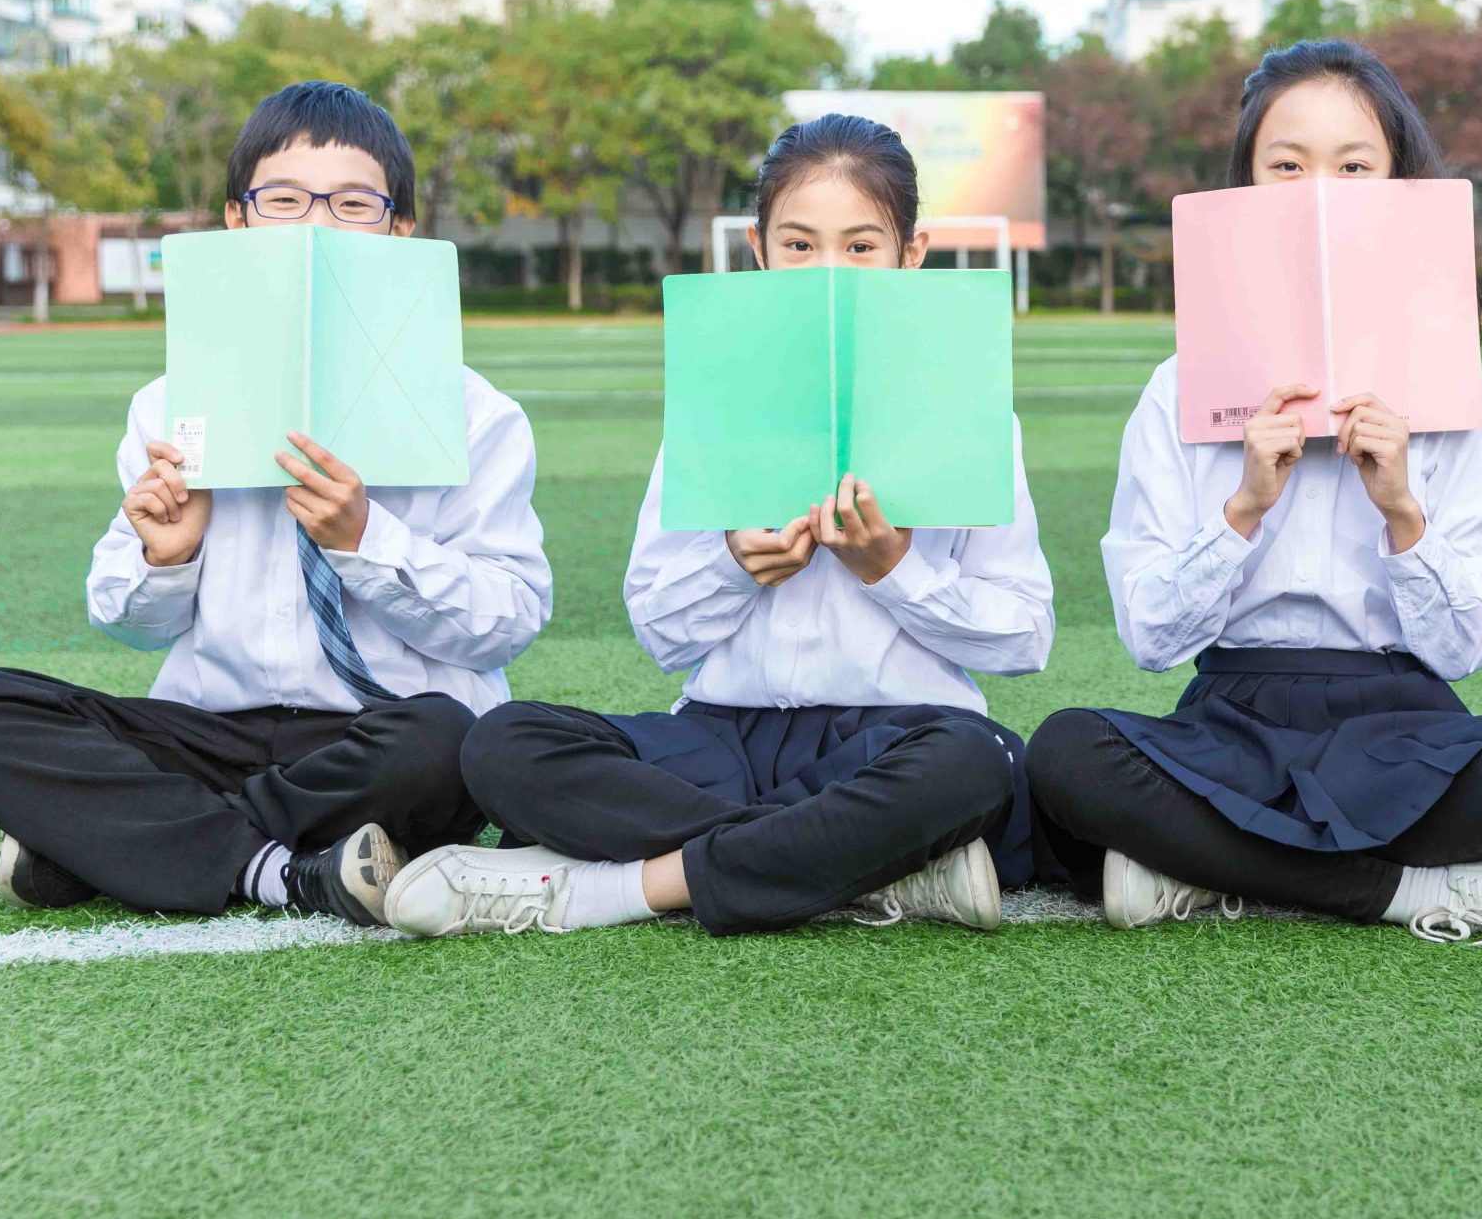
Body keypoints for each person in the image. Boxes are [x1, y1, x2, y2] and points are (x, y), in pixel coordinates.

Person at [1026, 40, 1482, 949]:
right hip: (1231, 723)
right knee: (1064, 753)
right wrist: (1243, 507)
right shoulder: (1179, 386)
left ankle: (1215, 869)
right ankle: (1407, 890)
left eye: (1354, 166)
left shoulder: (1453, 390)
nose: (1319, 191)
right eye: (1287, 165)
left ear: (1400, 187)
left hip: (1403, 726)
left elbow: (1465, 649)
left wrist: (1403, 511)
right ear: (1243, 188)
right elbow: (1151, 641)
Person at [387, 113, 1051, 939]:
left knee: (978, 764)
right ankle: (866, 861)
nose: (826, 273)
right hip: (722, 738)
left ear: (910, 255)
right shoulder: (715, 399)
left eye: (861, 245)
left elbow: (1026, 636)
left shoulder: (971, 411)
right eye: (801, 246)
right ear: (760, 252)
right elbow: (659, 629)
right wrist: (735, 565)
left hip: (900, 735)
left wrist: (896, 570)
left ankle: (626, 887)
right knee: (503, 743)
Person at [0, 81, 552, 927]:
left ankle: (115, 840)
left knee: (453, 740)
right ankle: (284, 869)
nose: (316, 226)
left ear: (402, 230)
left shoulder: (476, 412)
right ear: (237, 220)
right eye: (283, 200)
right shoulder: (171, 400)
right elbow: (127, 621)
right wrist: (164, 555)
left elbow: (510, 619)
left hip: (378, 736)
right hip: (207, 732)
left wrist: (368, 540)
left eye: (354, 203)